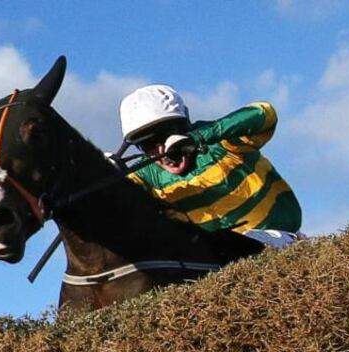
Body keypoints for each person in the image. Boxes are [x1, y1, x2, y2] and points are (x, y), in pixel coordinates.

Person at [118, 84, 302, 247]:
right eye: (147, 144)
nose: (161, 150)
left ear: (186, 125)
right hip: (215, 263)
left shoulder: (223, 142)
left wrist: (199, 137)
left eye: (165, 135)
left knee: (243, 246)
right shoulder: (144, 175)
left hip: (278, 240)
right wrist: (103, 170)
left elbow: (265, 113)